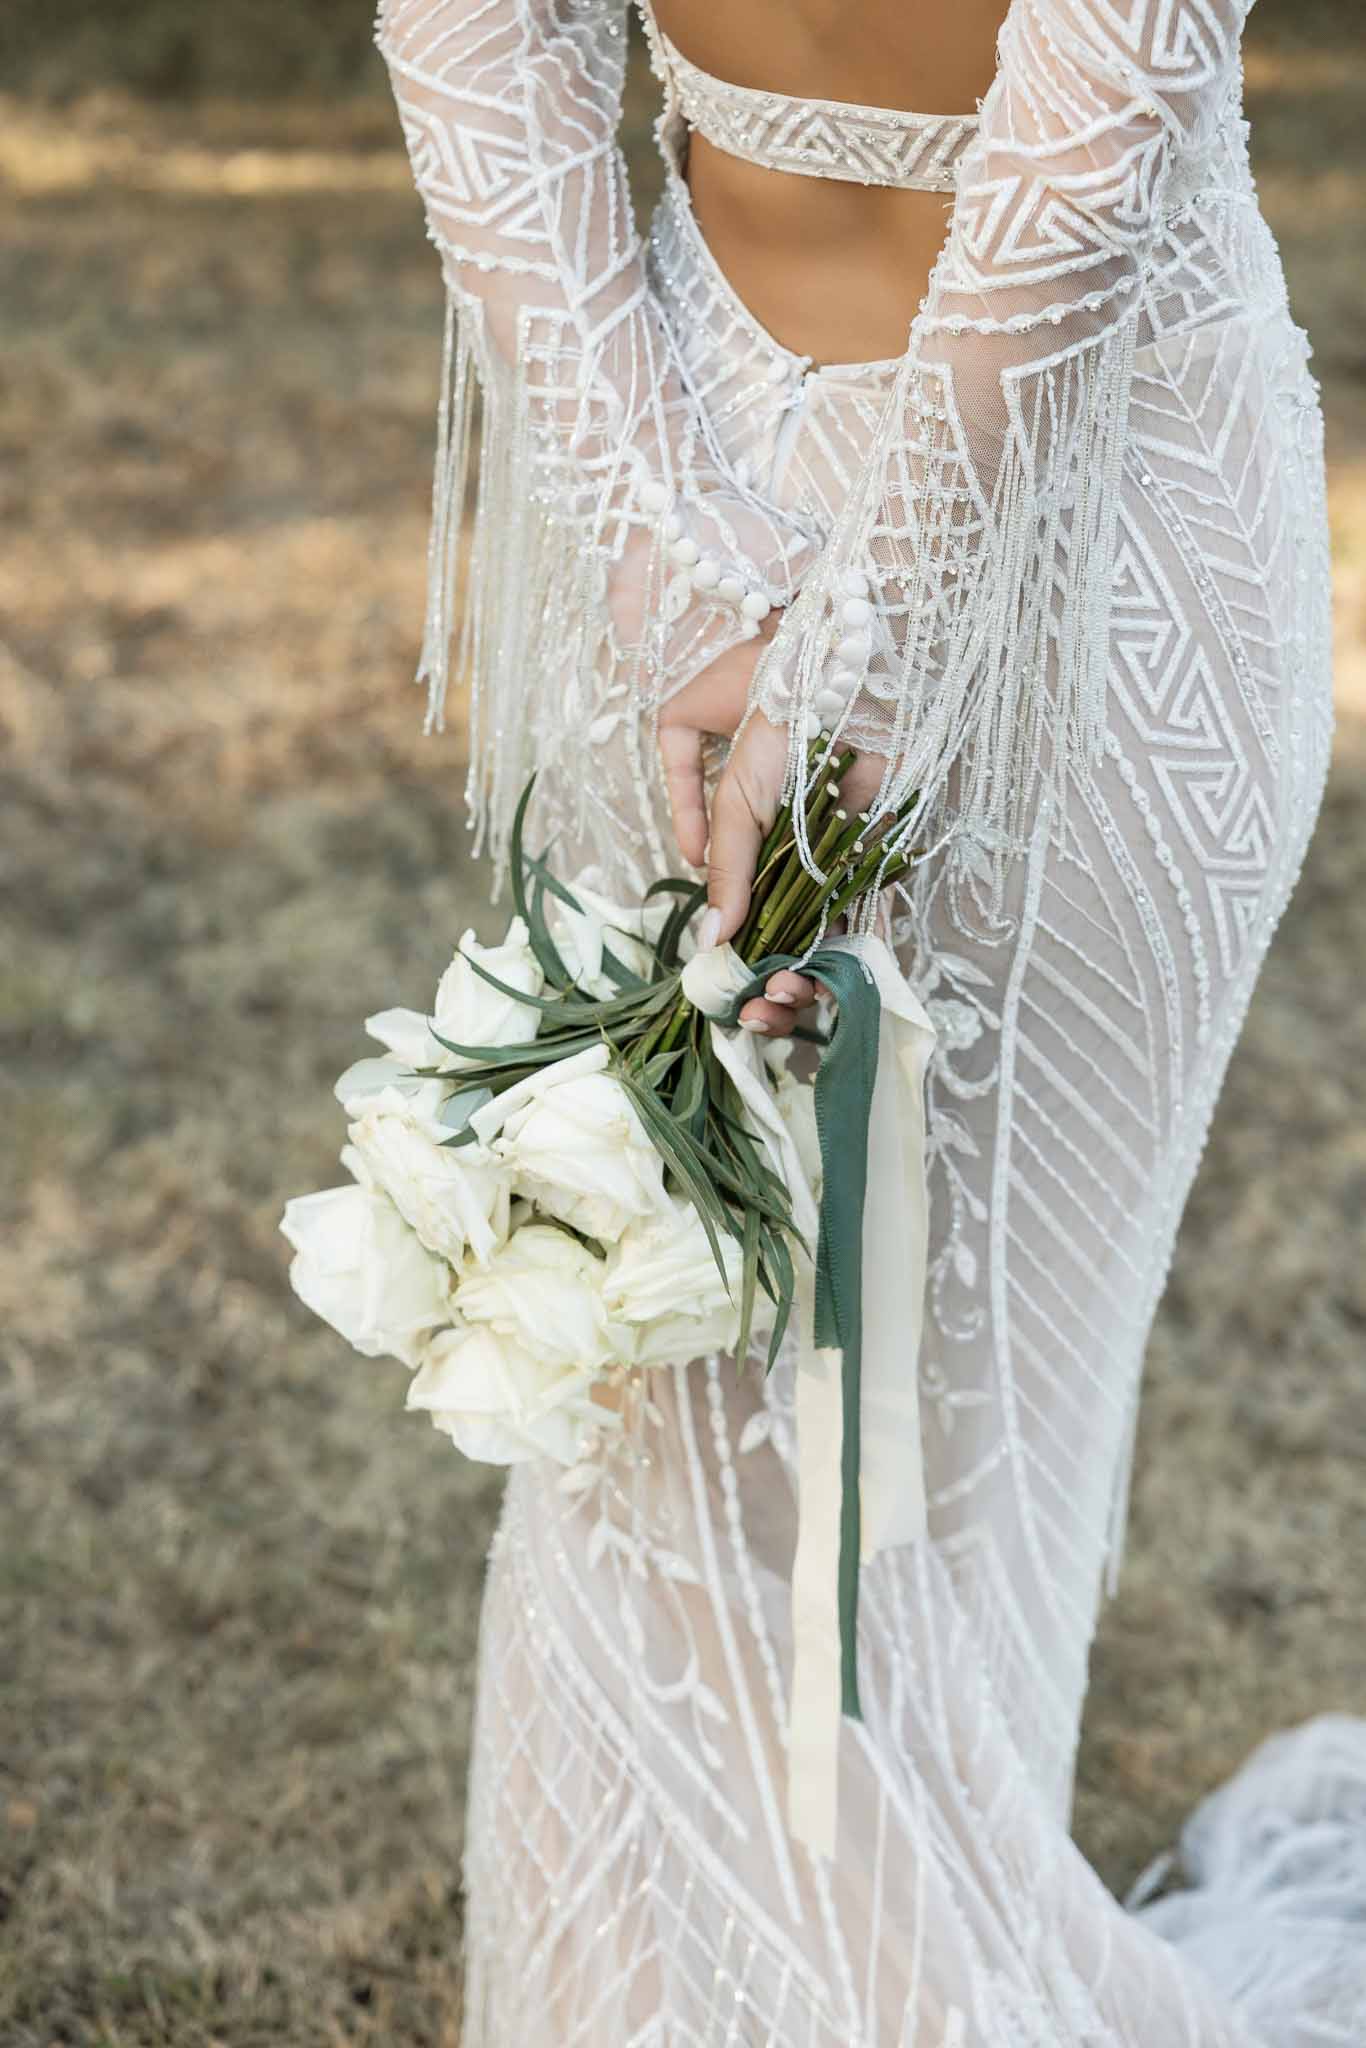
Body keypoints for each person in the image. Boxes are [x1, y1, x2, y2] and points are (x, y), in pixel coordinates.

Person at [374, 0, 1366, 2038]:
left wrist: (817, 627)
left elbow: (1110, 82)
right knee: (655, 1398)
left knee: (938, 1457)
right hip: (697, 492)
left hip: (1087, 540)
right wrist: (686, 576)